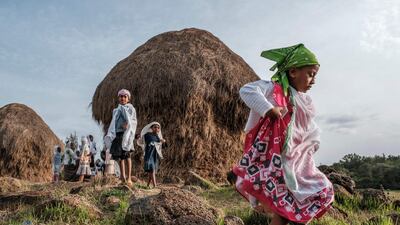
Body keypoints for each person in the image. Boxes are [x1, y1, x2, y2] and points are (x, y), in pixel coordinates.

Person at [231, 44, 334, 225]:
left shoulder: (305, 100)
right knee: (282, 211)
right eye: (310, 74)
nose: (313, 81)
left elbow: (308, 127)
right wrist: (269, 109)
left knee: (317, 191)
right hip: (275, 160)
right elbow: (246, 90)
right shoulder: (274, 89)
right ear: (293, 71)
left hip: (297, 161)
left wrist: (311, 144)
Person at [104, 89, 137, 186]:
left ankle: (129, 177)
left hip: (125, 135)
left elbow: (133, 120)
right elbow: (113, 123)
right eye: (121, 96)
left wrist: (128, 124)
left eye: (125, 96)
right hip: (118, 135)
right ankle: (123, 177)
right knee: (120, 157)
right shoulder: (116, 110)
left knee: (127, 156)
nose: (123, 98)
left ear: (128, 99)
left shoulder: (130, 109)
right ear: (118, 98)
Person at [137, 122, 166, 188]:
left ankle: (147, 185)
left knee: (152, 170)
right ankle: (155, 185)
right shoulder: (147, 135)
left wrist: (163, 142)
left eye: (158, 128)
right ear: (151, 128)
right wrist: (138, 137)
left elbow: (161, 146)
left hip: (154, 155)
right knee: (152, 169)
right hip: (149, 154)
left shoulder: (157, 137)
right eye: (155, 127)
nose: (157, 129)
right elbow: (143, 141)